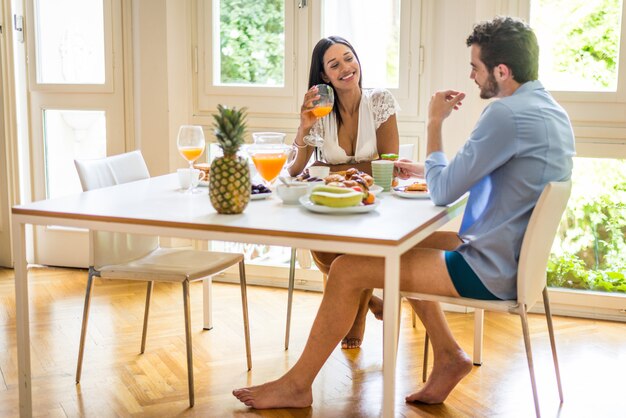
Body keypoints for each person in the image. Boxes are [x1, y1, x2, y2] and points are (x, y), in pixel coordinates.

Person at [234, 16, 575, 409]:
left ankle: (297, 385)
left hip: (490, 267)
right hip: (513, 256)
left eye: (475, 67)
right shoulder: (549, 110)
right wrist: (426, 170)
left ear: (501, 70)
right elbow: (470, 175)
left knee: (347, 269)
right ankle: (449, 355)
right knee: (401, 244)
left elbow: (446, 190)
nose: (471, 75)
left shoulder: (505, 114)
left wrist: (434, 122)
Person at [288, 36, 400, 349]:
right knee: (327, 256)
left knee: (351, 261)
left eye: (349, 58)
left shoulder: (379, 101)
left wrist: (332, 169)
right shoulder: (320, 112)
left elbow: (388, 163)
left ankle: (358, 319)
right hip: (331, 207)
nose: (346, 68)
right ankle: (371, 302)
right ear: (325, 76)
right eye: (334, 64)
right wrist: (303, 127)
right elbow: (296, 170)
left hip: (373, 205)